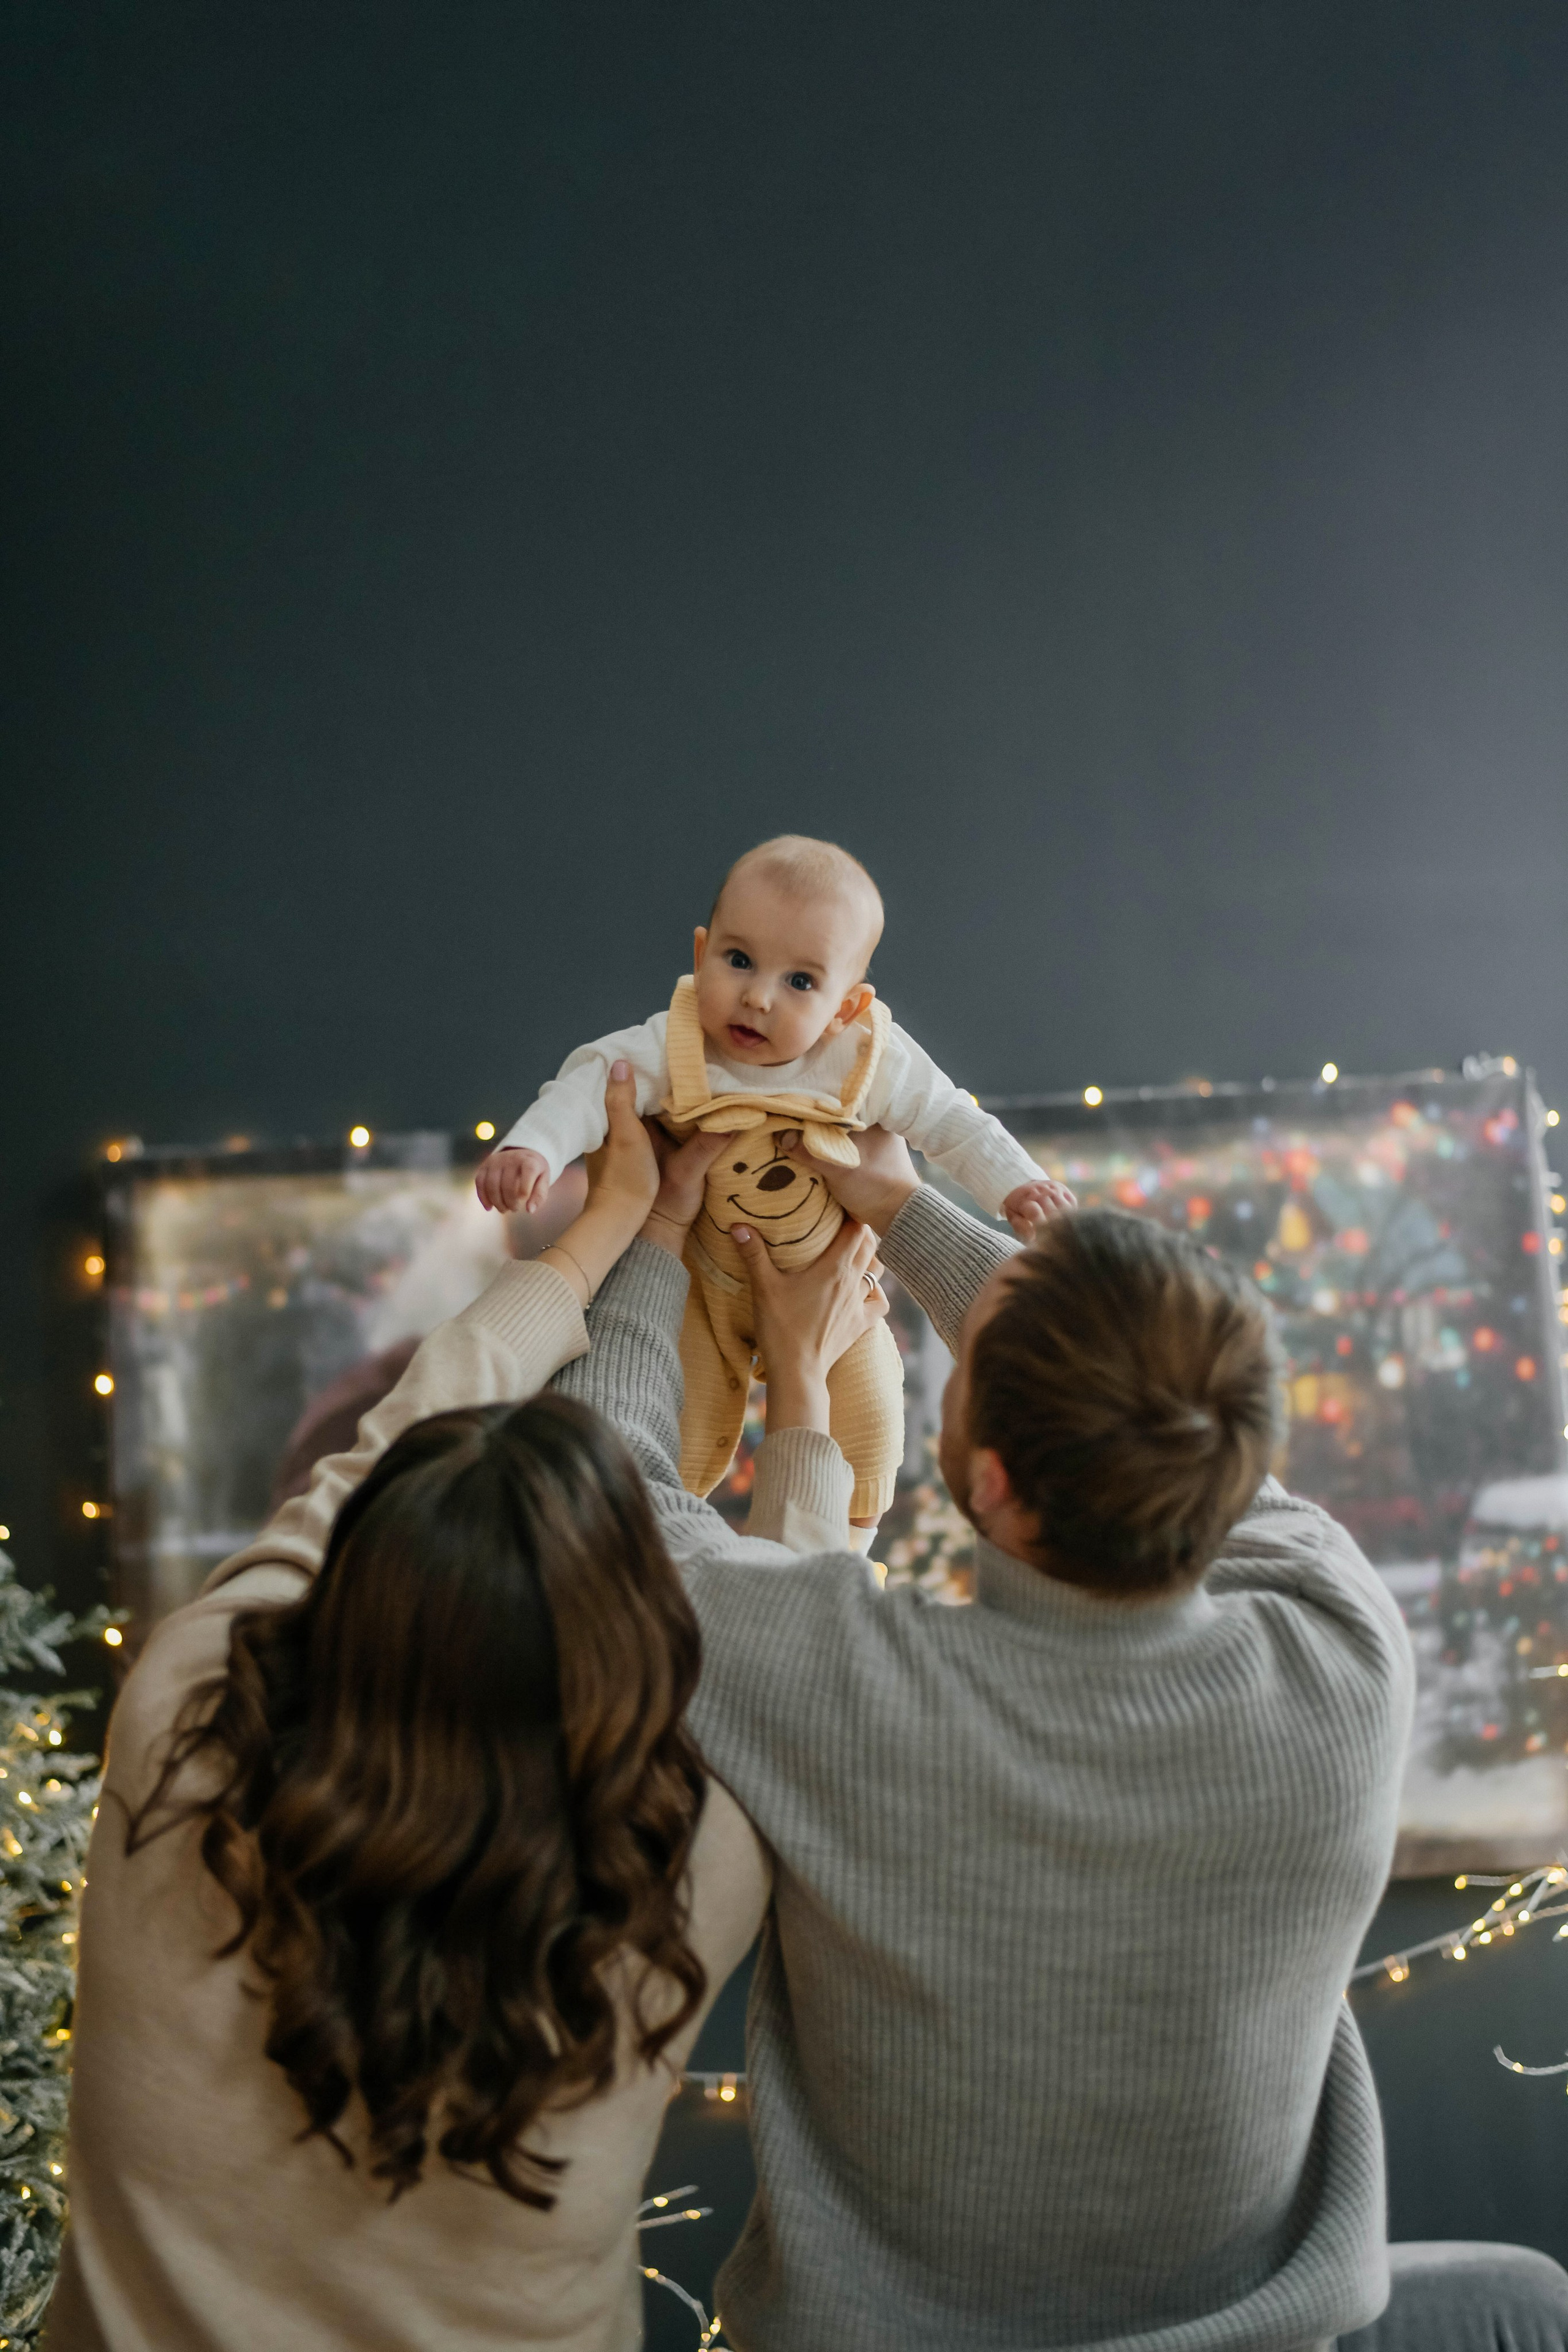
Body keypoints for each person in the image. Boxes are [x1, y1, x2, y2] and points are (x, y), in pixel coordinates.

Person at [45, 1071, 878, 2352]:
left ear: (361, 1572)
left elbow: (389, 1439)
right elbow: (796, 1667)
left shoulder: (179, 1718)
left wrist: (620, 1224)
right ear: (629, 1652)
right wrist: (802, 1389)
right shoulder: (678, 1878)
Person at [556, 1118, 1419, 2352]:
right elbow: (1185, 1422)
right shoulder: (1344, 1654)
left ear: (993, 1485)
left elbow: (604, 1495)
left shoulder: (840, 1682)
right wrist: (905, 1211)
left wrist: (648, 1231)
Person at [473, 834, 1071, 1529]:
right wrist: (534, 1148)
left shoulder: (866, 1060)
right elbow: (585, 1091)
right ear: (700, 956)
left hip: (833, 1282)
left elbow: (951, 1121)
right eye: (738, 961)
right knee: (668, 1424)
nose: (756, 997)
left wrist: (1018, 1187)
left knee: (869, 1426)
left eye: (800, 982)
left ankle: (845, 1559)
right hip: (696, 1282)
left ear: (847, 1006)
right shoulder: (674, 1046)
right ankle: (660, 1545)